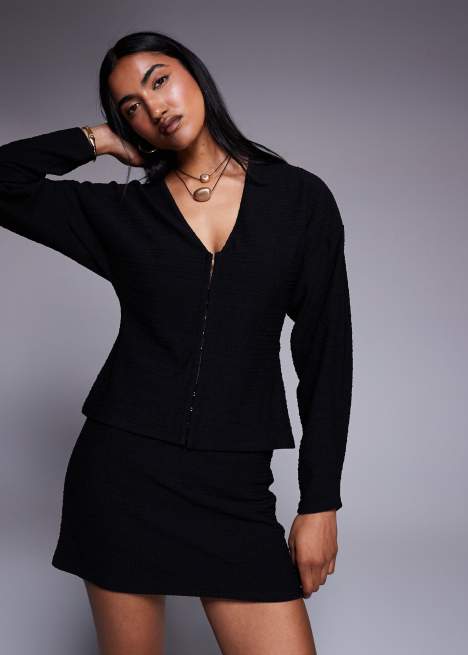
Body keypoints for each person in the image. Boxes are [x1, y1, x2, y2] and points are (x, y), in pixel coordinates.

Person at [0, 31, 353, 655]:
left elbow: (326, 356)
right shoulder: (122, 214)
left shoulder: (299, 200)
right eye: (130, 107)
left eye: (159, 80)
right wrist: (98, 139)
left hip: (235, 486)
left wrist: (320, 502)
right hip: (121, 478)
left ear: (193, 74)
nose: (154, 106)